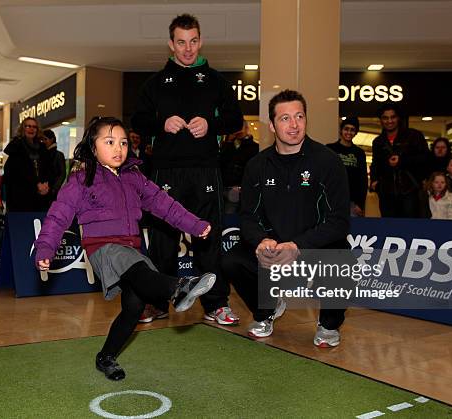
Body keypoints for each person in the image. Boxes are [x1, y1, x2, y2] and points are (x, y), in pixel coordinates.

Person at [34, 117, 215, 380]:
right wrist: (45, 250)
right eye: (109, 142)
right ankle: (179, 288)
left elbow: (164, 204)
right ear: (92, 147)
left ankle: (105, 357)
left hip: (131, 249)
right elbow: (57, 216)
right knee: (135, 264)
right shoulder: (80, 179)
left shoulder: (135, 177)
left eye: (123, 142)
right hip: (103, 249)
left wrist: (195, 225)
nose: (119, 148)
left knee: (132, 307)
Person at [132, 13, 243, 325]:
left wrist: (211, 124)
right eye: (181, 42)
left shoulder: (216, 80)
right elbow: (138, 120)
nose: (188, 48)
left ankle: (215, 304)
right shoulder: (155, 83)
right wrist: (161, 124)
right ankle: (156, 303)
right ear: (171, 44)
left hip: (206, 169)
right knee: (163, 240)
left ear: (200, 41)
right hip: (166, 171)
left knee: (208, 238)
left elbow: (235, 120)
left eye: (193, 41)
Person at [221, 90, 350, 346]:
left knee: (342, 257)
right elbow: (247, 216)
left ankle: (329, 326)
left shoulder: (328, 161)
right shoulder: (257, 165)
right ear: (272, 125)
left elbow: (339, 221)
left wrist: (298, 246)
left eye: (299, 116)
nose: (294, 125)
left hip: (313, 247)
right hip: (273, 248)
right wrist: (261, 241)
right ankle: (266, 310)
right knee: (230, 260)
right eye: (285, 118)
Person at [370, 104, 430, 218]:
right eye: (385, 118)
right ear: (381, 120)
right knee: (389, 228)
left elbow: (425, 158)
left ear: (398, 118)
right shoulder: (378, 141)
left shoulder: (414, 135)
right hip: (386, 193)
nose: (389, 121)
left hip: (410, 191)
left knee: (410, 228)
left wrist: (402, 161)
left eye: (392, 117)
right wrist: (374, 181)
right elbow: (375, 163)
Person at [3, 117, 53, 212]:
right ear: (22, 128)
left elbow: (49, 168)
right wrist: (36, 185)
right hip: (21, 195)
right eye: (28, 126)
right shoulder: (16, 145)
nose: (31, 129)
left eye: (34, 127)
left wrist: (46, 183)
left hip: (41, 196)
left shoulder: (42, 147)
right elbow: (13, 172)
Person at [327, 117, 368, 217]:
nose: (349, 132)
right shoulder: (329, 149)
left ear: (356, 133)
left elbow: (363, 180)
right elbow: (324, 174)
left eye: (352, 130)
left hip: (353, 203)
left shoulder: (359, 153)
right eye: (346, 129)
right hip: (332, 200)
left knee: (352, 231)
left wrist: (360, 204)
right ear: (341, 130)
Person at [41, 129, 67, 203]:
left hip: (52, 191)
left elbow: (62, 174)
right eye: (42, 139)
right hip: (43, 190)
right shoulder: (42, 153)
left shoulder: (58, 155)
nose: (43, 141)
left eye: (45, 139)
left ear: (52, 139)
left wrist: (54, 189)